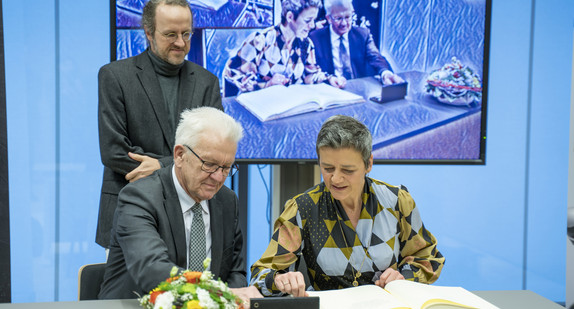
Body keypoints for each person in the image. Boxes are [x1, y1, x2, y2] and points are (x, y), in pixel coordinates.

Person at [250, 115, 445, 297]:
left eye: (347, 170)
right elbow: (259, 276)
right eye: (327, 169)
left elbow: (428, 257)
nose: (335, 178)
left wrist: (404, 277)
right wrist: (278, 279)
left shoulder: (396, 201)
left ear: (368, 164)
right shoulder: (302, 208)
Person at [99, 107, 262, 303]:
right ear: (179, 155)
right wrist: (218, 294)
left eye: (226, 168)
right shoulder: (139, 198)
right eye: (209, 164)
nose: (218, 177)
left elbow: (235, 272)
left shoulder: (227, 201)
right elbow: (153, 269)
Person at [96, 0, 223, 248]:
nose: (180, 42)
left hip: (189, 213)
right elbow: (113, 151)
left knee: (189, 288)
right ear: (148, 32)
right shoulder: (114, 76)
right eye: (170, 34)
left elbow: (214, 152)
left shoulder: (207, 82)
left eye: (186, 34)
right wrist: (179, 166)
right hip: (130, 210)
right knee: (130, 288)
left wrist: (160, 166)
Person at [222, 0, 345, 95]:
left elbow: (309, 75)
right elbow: (233, 74)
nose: (312, 25)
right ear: (290, 17)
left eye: (314, 20)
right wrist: (267, 84)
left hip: (293, 108)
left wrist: (330, 79)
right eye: (308, 20)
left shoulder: (306, 44)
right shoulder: (261, 40)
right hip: (262, 111)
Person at [309, 0, 404, 84]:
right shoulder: (315, 38)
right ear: (329, 18)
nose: (344, 23)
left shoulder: (362, 34)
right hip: (330, 89)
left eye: (347, 17)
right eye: (338, 18)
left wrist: (385, 73)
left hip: (357, 89)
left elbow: (375, 57)